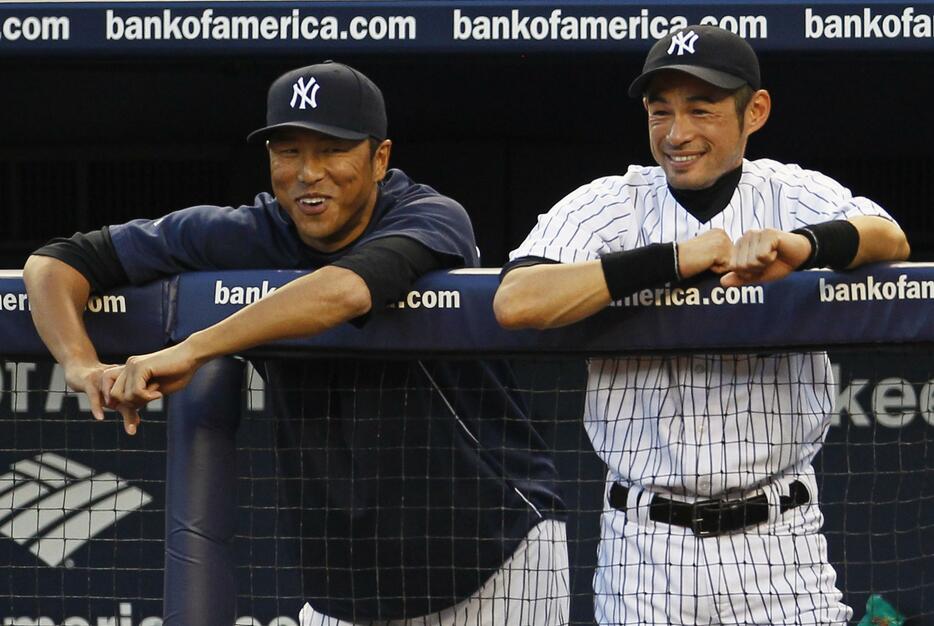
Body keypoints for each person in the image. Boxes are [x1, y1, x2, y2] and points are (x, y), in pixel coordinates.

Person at [23, 61, 568, 626]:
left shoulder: (430, 216)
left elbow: (345, 292)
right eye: (289, 152)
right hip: (348, 582)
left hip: (496, 551)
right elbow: (57, 262)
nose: (309, 173)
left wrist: (193, 348)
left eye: (332, 150)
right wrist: (79, 362)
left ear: (379, 158)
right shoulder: (249, 233)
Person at [493, 25, 909, 626]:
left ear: (754, 112)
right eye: (660, 112)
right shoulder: (609, 205)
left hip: (780, 544)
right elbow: (515, 301)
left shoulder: (791, 193)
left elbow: (888, 236)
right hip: (644, 550)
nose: (677, 133)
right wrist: (670, 260)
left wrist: (803, 245)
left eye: (701, 110)